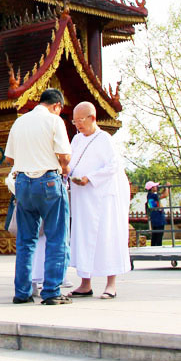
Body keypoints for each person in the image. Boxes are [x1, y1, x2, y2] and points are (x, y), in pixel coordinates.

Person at [4, 88, 72, 305]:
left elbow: (9, 159)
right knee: (56, 237)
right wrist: (64, 166)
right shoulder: (54, 121)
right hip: (49, 181)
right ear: (56, 106)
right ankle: (51, 291)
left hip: (23, 182)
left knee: (25, 241)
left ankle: (22, 292)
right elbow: (65, 155)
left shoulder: (20, 122)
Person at [67, 101, 131, 299]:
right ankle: (85, 283)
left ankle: (111, 283)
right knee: (83, 238)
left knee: (107, 237)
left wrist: (90, 178)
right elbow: (71, 162)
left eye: (81, 120)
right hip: (82, 198)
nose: (78, 124)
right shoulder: (77, 140)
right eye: (75, 121)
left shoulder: (105, 139)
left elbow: (113, 166)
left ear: (92, 118)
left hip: (103, 198)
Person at [145, 181, 166, 247]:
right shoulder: (153, 195)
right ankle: (158, 247)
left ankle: (154, 247)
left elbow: (161, 194)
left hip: (155, 217)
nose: (156, 187)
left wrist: (165, 188)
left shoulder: (150, 195)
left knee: (155, 235)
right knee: (159, 235)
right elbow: (165, 195)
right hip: (158, 217)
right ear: (151, 188)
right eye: (154, 186)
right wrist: (168, 188)